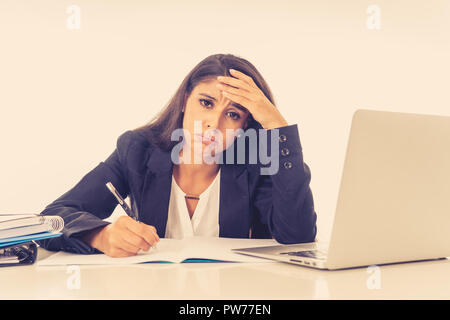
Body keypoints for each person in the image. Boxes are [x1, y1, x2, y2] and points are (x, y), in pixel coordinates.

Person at [37, 53, 317, 257]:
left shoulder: (257, 163)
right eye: (206, 103)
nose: (213, 124)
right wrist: (100, 235)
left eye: (232, 114)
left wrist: (278, 127)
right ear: (185, 100)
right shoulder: (136, 150)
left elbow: (297, 238)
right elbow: (52, 218)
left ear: (245, 125)